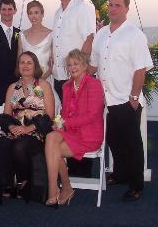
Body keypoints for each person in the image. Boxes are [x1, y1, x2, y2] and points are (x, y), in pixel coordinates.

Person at [89, 0, 153, 202]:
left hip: (126, 100)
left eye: (117, 5)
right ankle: (120, 174)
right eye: (111, 5)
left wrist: (133, 98)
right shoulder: (101, 34)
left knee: (132, 144)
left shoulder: (135, 35)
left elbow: (140, 70)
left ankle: (136, 186)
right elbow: (93, 64)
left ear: (126, 8)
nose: (113, 8)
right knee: (114, 141)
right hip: (106, 100)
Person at [0, 51, 55, 205]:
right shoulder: (13, 87)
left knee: (20, 146)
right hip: (15, 129)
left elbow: (50, 116)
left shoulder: (44, 85)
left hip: (37, 130)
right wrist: (12, 126)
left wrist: (29, 129)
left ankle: (24, 181)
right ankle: (6, 183)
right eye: (22, 62)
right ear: (18, 66)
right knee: (2, 143)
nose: (25, 66)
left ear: (35, 66)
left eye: (29, 63)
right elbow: (6, 115)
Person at [44, 49, 104, 207]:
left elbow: (92, 115)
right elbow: (64, 113)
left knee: (52, 150)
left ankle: (62, 188)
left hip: (89, 135)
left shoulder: (94, 84)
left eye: (76, 63)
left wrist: (65, 123)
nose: (72, 67)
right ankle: (55, 187)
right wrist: (59, 123)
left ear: (85, 65)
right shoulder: (66, 86)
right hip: (70, 132)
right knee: (51, 137)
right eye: (69, 64)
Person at [52, 0, 96, 177]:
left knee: (82, 120)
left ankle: (82, 169)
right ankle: (67, 166)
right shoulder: (56, 13)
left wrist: (83, 71)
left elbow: (89, 38)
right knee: (67, 118)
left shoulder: (83, 8)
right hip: (61, 76)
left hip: (78, 75)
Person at [17, 0, 52, 80]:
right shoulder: (22, 35)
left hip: (45, 80)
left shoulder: (51, 35)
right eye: (30, 13)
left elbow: (54, 63)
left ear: (42, 14)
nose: (33, 16)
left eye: (36, 13)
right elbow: (19, 62)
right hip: (26, 81)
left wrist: (41, 81)